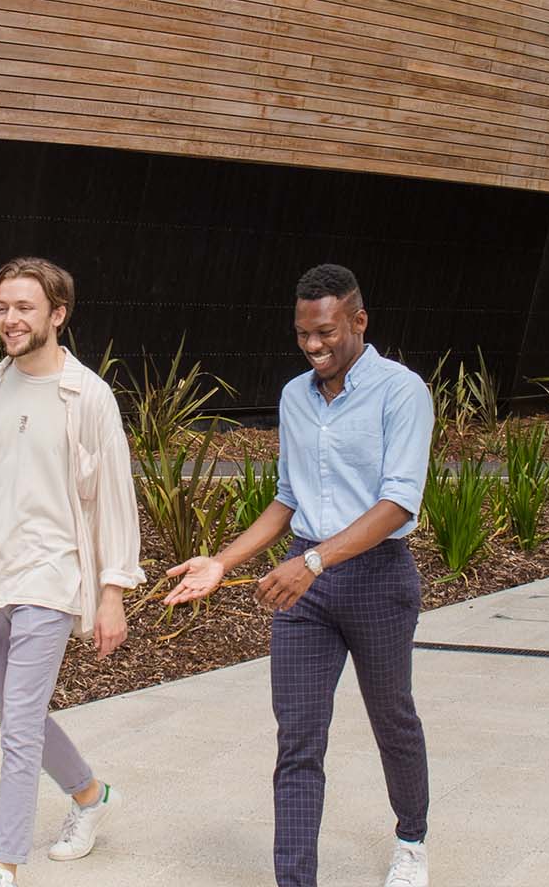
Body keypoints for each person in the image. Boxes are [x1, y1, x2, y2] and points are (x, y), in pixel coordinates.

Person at [166, 264, 433, 887]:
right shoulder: (294, 396)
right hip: (303, 588)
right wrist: (223, 562)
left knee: (392, 716)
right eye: (303, 334)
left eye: (326, 332)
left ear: (358, 321)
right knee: (299, 739)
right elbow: (288, 498)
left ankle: (412, 839)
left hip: (376, 578)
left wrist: (314, 561)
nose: (314, 346)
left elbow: (398, 503)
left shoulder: (401, 391)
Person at [0, 257, 144, 887]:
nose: (11, 319)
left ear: (58, 314)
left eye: (24, 307)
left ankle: (4, 862)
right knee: (14, 715)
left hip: (52, 577)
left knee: (17, 728)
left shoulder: (89, 396)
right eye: (2, 308)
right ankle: (91, 796)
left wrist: (112, 594)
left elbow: (115, 502)